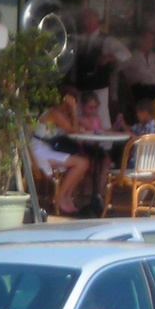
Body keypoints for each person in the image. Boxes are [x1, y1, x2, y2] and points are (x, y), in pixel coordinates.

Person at [32, 88, 95, 216]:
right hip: (39, 151)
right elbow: (73, 130)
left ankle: (67, 197)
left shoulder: (58, 114)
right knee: (82, 163)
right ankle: (60, 197)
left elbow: (74, 128)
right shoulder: (53, 113)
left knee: (83, 163)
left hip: (46, 149)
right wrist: (73, 109)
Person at [119, 29, 155, 109]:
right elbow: (117, 71)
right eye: (149, 40)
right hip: (140, 91)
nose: (151, 44)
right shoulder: (131, 57)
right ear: (141, 41)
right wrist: (114, 97)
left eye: (152, 41)